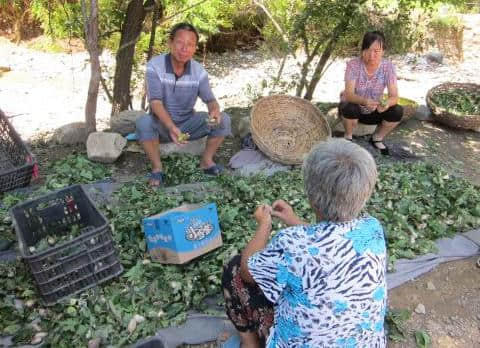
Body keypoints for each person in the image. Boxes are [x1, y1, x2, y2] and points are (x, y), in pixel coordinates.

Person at [222, 138, 387, 348]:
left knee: (234, 266)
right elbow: (328, 242)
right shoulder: (372, 228)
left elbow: (248, 270)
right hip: (361, 342)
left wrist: (264, 224)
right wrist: (293, 220)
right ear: (365, 193)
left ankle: (249, 342)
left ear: (310, 197)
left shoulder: (290, 243)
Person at [136, 23, 231, 186]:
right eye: (180, 42)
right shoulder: (155, 66)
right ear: (170, 43)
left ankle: (206, 162)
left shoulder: (198, 71)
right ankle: (157, 168)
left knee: (224, 120)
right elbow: (155, 102)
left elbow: (210, 100)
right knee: (143, 123)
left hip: (188, 125)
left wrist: (215, 110)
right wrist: (172, 127)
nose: (184, 48)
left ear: (195, 48)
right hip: (161, 125)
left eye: (190, 44)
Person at [340, 30, 403, 155]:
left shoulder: (388, 67)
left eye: (376, 51)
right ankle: (348, 136)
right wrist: (365, 101)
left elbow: (394, 97)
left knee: (397, 111)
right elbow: (349, 94)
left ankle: (377, 138)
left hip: (375, 110)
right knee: (348, 107)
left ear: (383, 51)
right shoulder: (353, 65)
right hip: (356, 108)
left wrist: (386, 104)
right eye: (368, 50)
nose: (371, 55)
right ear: (362, 50)